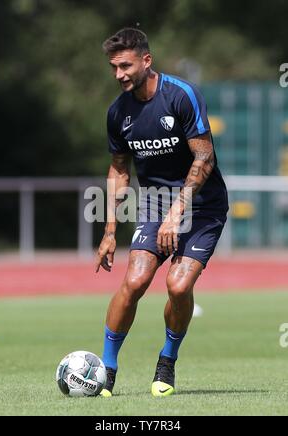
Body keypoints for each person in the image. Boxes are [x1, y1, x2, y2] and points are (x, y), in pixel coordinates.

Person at [95, 28, 228, 397]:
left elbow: (204, 156)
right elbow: (119, 169)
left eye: (125, 65)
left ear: (146, 60)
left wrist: (179, 210)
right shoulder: (118, 112)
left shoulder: (181, 95)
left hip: (202, 205)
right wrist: (109, 231)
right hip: (155, 202)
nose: (119, 74)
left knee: (178, 285)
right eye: (114, 67)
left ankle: (167, 361)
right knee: (136, 280)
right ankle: (106, 370)